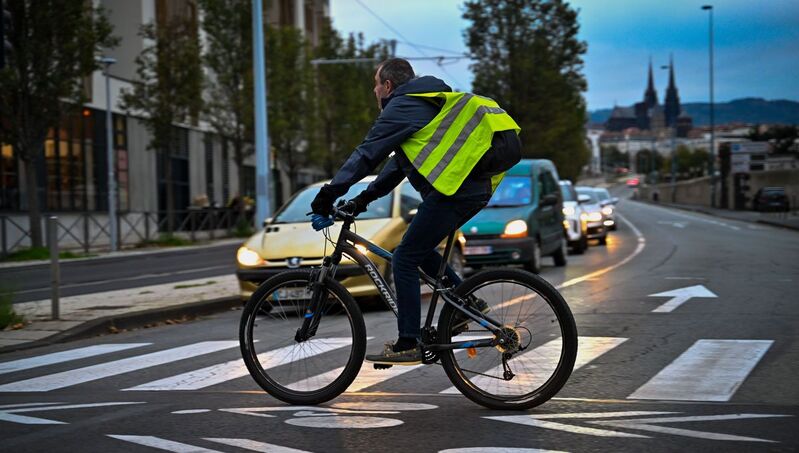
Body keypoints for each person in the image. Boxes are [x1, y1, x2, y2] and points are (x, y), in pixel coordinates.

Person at [311, 58, 520, 365]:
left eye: (375, 85)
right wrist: (362, 200)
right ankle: (467, 303)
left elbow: (366, 154)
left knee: (404, 258)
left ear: (387, 85)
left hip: (454, 192)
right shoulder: (429, 102)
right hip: (471, 190)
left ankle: (408, 342)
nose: (374, 91)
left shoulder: (402, 106)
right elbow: (397, 166)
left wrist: (327, 195)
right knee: (415, 251)